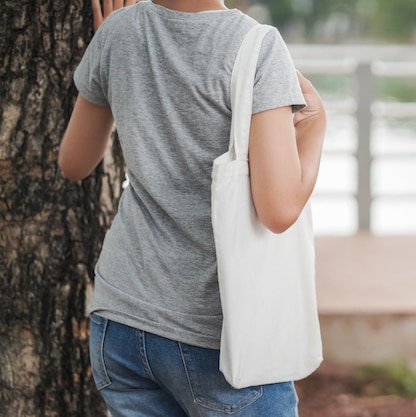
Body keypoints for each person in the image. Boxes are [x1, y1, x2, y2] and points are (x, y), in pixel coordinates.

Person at [58, 0, 326, 416]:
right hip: (218, 338)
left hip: (121, 321)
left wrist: (113, 50)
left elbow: (74, 164)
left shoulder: (117, 31)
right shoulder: (258, 45)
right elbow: (278, 209)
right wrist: (314, 127)